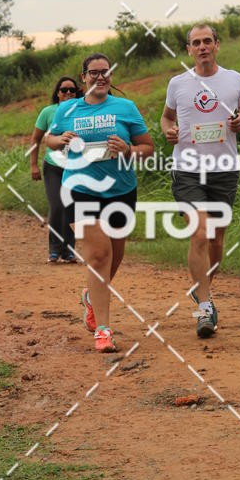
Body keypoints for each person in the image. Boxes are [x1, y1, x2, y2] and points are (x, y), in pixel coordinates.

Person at [45, 53, 154, 353]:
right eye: (94, 72)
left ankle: (91, 298)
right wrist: (61, 140)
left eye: (105, 72)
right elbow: (50, 140)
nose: (100, 77)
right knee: (99, 255)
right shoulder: (68, 109)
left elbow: (148, 148)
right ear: (83, 78)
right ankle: (103, 331)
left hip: (120, 190)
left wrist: (129, 150)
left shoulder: (126, 108)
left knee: (115, 256)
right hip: (79, 188)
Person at [161, 24, 240, 339]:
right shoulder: (177, 83)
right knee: (199, 233)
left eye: (207, 41)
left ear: (217, 45)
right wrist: (167, 130)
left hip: (224, 168)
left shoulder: (234, 80)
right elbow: (167, 117)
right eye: (195, 43)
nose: (202, 47)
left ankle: (204, 290)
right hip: (187, 168)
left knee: (216, 240)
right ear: (188, 49)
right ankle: (204, 309)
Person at [30, 76, 82, 263]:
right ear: (57, 93)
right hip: (53, 166)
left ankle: (68, 251)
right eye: (64, 90)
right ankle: (54, 249)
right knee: (57, 206)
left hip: (76, 167)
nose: (68, 93)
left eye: (72, 90)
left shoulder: (82, 110)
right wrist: (33, 164)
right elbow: (35, 139)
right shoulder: (48, 112)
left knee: (70, 208)